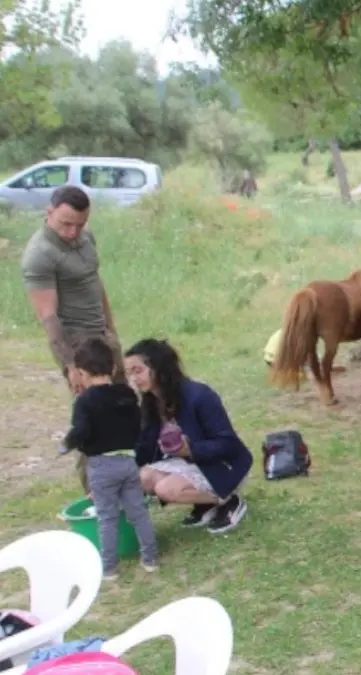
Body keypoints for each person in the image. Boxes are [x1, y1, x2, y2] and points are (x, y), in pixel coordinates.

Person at [21, 186, 125, 491]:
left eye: (79, 224)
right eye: (65, 223)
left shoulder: (84, 236)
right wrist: (71, 365)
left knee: (123, 405)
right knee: (94, 417)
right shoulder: (39, 255)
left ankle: (129, 483)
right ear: (49, 212)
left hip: (102, 335)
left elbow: (95, 281)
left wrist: (111, 329)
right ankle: (95, 493)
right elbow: (48, 316)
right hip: (77, 344)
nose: (72, 231)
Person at [127, 339, 252, 535]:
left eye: (138, 370)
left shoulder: (199, 395)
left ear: (157, 367)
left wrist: (191, 450)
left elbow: (229, 444)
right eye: (130, 373)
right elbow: (144, 447)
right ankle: (205, 504)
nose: (133, 378)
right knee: (142, 477)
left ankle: (228, 500)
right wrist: (118, 477)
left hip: (222, 465)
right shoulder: (150, 402)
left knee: (165, 489)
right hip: (188, 464)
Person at [63, 338, 158, 580]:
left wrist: (69, 444)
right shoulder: (126, 393)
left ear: (82, 373)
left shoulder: (84, 401)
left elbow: (81, 431)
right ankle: (150, 558)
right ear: (113, 368)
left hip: (101, 466)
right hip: (128, 462)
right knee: (138, 512)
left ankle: (109, 568)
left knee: (107, 518)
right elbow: (137, 423)